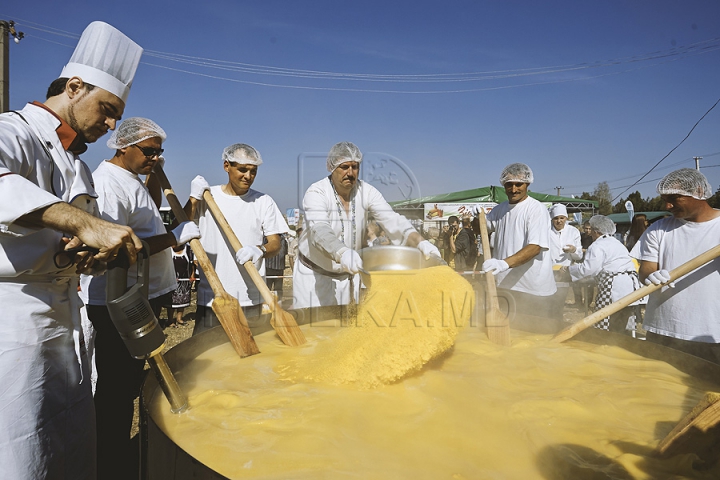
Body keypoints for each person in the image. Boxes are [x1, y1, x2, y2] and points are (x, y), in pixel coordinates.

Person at [0, 22, 145, 480]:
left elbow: (70, 241)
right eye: (107, 109)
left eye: (117, 115)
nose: (112, 125)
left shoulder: (79, 168)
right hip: (15, 324)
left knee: (73, 451)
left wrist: (95, 255)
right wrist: (86, 223)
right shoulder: (13, 130)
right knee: (21, 453)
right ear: (74, 86)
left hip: (68, 322)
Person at [79, 117, 200, 480]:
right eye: (148, 151)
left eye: (159, 151)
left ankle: (121, 452)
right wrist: (175, 236)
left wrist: (154, 176)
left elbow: (145, 209)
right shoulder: (107, 184)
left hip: (148, 293)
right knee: (118, 389)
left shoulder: (131, 179)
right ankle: (111, 461)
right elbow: (120, 248)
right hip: (120, 302)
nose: (155, 157)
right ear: (122, 146)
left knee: (131, 381)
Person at [293, 141, 441, 308]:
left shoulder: (367, 191)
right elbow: (319, 230)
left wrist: (420, 241)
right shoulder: (317, 192)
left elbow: (392, 219)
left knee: (343, 331)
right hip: (314, 277)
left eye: (355, 167)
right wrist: (342, 253)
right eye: (344, 167)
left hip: (347, 276)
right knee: (311, 330)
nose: (350, 173)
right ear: (331, 167)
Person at [186, 143, 289, 335]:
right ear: (227, 166)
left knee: (251, 360)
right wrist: (193, 198)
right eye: (242, 170)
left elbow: (275, 243)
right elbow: (180, 225)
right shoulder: (208, 197)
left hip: (252, 297)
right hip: (212, 297)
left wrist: (260, 249)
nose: (248, 176)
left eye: (253, 171)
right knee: (204, 358)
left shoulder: (263, 201)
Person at [632, 169, 720, 364]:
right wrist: (650, 276)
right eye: (664, 199)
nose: (667, 205)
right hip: (662, 329)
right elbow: (646, 269)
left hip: (712, 334)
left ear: (698, 192)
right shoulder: (659, 229)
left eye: (674, 198)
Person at [482, 163, 557, 331]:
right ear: (504, 185)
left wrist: (503, 264)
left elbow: (535, 247)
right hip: (505, 286)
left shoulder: (535, 209)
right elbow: (483, 227)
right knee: (508, 335)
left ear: (527, 184)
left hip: (532, 289)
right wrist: (474, 220)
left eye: (518, 184)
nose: (513, 189)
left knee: (535, 339)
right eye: (509, 184)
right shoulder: (499, 210)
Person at [566, 215, 644, 333]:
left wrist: (568, 270)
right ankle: (622, 342)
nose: (589, 233)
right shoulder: (617, 243)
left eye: (591, 230)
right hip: (630, 287)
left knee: (607, 323)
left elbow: (588, 269)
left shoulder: (597, 245)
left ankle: (607, 344)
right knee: (622, 322)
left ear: (597, 231)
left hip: (614, 288)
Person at [548, 204, 583, 317]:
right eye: (556, 218)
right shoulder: (546, 231)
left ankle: (556, 324)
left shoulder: (573, 232)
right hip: (549, 271)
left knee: (559, 300)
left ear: (566, 218)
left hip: (565, 272)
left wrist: (573, 250)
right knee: (548, 301)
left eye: (561, 218)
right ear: (552, 219)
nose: (559, 221)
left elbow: (579, 256)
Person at [165, 242, 196, 327]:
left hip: (184, 280)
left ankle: (179, 318)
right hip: (171, 281)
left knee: (182, 300)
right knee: (171, 302)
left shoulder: (188, 250)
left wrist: (192, 276)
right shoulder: (168, 251)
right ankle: (170, 320)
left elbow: (192, 265)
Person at [266, 233, 288, 302]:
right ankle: (269, 303)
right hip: (271, 267)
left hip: (277, 267)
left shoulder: (283, 240)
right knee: (269, 287)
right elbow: (285, 252)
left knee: (275, 288)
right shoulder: (283, 240)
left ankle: (277, 304)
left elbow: (285, 251)